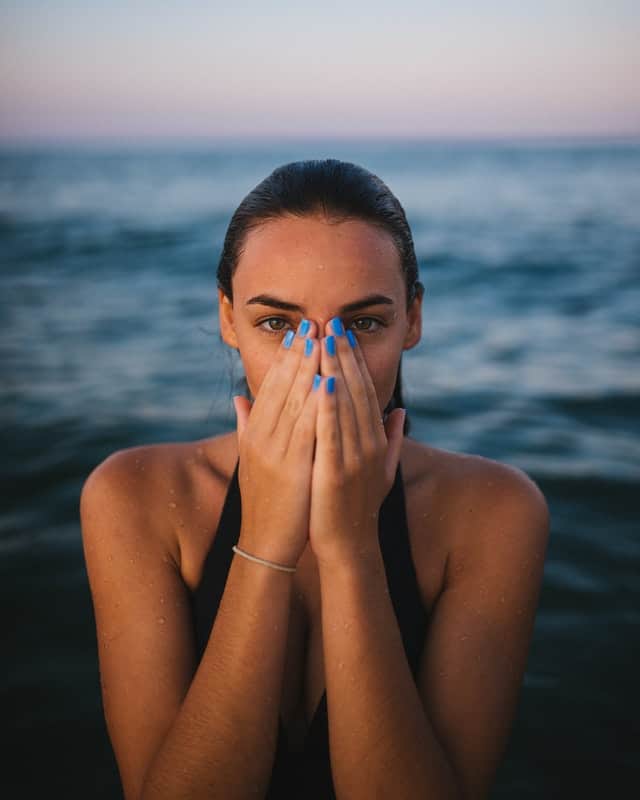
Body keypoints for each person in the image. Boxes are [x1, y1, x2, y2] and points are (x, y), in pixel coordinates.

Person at [80, 159, 550, 800]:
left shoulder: (495, 512)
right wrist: (265, 544)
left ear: (412, 319)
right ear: (227, 319)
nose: (325, 361)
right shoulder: (133, 497)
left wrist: (353, 549)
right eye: (277, 324)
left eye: (364, 323)